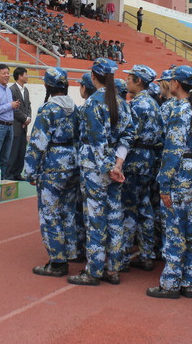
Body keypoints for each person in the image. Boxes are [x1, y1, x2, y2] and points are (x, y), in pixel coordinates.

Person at [68, 58, 132, 286]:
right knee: (114, 218)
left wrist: (109, 168)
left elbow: (96, 142)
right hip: (115, 169)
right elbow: (127, 136)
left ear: (93, 77)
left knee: (95, 219)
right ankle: (113, 269)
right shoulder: (121, 102)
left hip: (95, 170)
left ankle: (94, 270)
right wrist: (118, 164)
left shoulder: (92, 104)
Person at [146, 65, 192, 299]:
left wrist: (165, 185)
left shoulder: (180, 111)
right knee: (189, 230)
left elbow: (172, 150)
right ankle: (188, 280)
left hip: (178, 176)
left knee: (174, 231)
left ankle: (170, 283)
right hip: (190, 174)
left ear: (176, 84)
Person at [24, 67, 80, 277]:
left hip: (53, 164)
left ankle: (57, 261)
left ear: (48, 86)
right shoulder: (74, 108)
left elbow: (38, 142)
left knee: (50, 212)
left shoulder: (47, 110)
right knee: (67, 211)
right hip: (72, 163)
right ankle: (70, 251)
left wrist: (29, 170)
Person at [121, 65, 162, 272]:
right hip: (149, 161)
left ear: (138, 80)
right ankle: (147, 254)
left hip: (135, 160)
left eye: (129, 78)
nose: (126, 81)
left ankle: (123, 256)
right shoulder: (153, 104)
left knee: (129, 208)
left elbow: (129, 134)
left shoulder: (138, 105)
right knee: (145, 208)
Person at [8, 67, 32, 181]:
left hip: (23, 126)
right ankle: (9, 174)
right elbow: (14, 109)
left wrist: (28, 118)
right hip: (16, 125)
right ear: (20, 76)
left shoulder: (26, 90)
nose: (27, 76)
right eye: (25, 74)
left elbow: (28, 105)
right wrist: (24, 119)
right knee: (13, 150)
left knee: (22, 150)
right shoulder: (12, 90)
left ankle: (17, 173)